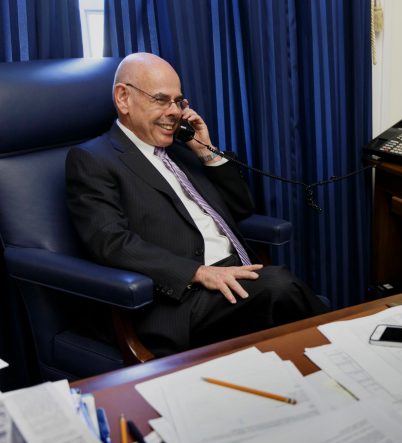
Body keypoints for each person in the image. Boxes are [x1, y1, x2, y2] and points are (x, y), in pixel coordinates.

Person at [66, 53, 327, 356]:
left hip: (234, 278)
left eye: (179, 102)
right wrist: (198, 272)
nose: (174, 112)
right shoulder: (93, 160)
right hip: (181, 298)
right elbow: (111, 243)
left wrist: (207, 151)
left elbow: (241, 208)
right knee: (281, 286)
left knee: (284, 304)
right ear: (123, 98)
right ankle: (347, 348)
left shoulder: (182, 148)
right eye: (162, 100)